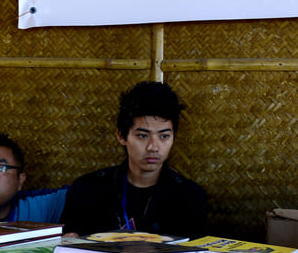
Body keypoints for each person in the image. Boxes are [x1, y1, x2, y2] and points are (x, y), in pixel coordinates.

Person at [61, 80, 208, 237]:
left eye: (164, 136)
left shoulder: (190, 197)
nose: (153, 147)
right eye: (142, 136)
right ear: (121, 136)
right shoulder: (88, 189)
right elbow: (69, 243)